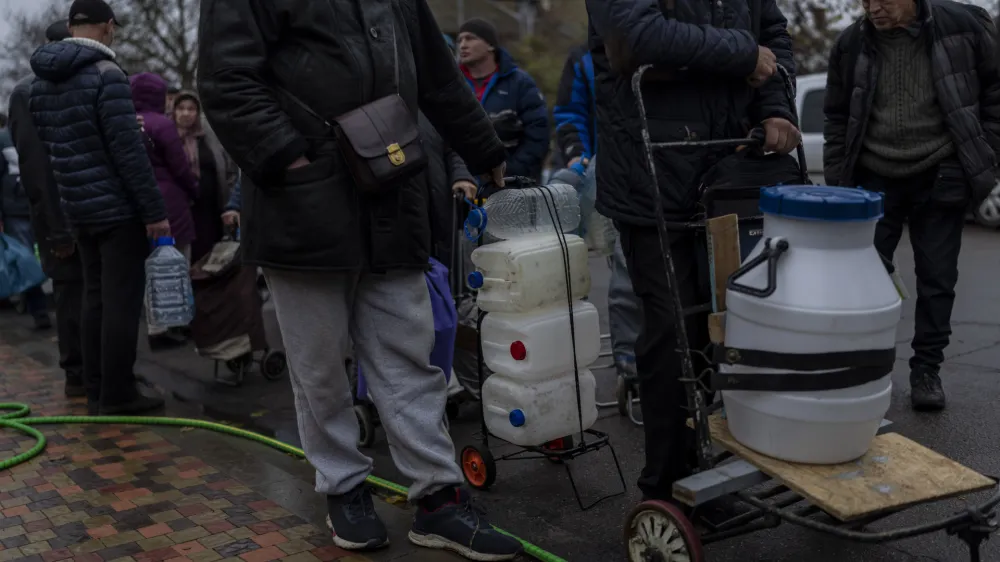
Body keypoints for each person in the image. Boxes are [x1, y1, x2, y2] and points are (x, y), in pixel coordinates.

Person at [196, 1, 520, 560]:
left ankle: (438, 497)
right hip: (302, 204)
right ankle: (344, 485)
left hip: (390, 193)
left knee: (410, 358)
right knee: (320, 366)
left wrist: (483, 146)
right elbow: (226, 79)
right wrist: (289, 158)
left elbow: (436, 74)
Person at [586, 0, 800, 515]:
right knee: (672, 330)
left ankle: (703, 470)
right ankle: (667, 487)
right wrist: (744, 54)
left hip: (729, 165)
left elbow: (773, 34)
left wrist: (775, 107)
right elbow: (633, 37)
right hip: (652, 172)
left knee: (723, 325)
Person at [823, 0, 1000, 412]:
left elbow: (995, 95)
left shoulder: (965, 27)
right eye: (866, 0)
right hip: (873, 177)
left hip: (941, 172)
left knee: (937, 280)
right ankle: (866, 369)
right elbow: (836, 115)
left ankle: (926, 371)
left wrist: (985, 156)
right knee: (865, 282)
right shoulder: (850, 44)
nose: (874, 8)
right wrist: (839, 180)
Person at [28, 0, 169, 416]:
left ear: (71, 26)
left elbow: (53, 148)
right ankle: (119, 393)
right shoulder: (107, 75)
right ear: (108, 26)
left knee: (94, 298)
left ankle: (95, 388)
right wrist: (154, 211)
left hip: (77, 207)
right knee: (121, 302)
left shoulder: (40, 84)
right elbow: (128, 153)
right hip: (117, 209)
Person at [553, 44, 642, 384]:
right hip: (608, 174)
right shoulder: (584, 58)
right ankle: (628, 361)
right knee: (624, 264)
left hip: (659, 169)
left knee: (638, 269)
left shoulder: (663, 40)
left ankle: (642, 356)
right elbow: (570, 112)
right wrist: (577, 153)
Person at [8, 20, 84, 396]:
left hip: (89, 211)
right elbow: (36, 168)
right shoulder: (28, 92)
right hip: (59, 216)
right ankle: (77, 374)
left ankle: (94, 371)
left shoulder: (83, 84)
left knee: (90, 294)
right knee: (70, 294)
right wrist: (58, 230)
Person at [129, 72, 200, 349]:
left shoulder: (126, 122)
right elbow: (179, 166)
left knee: (151, 266)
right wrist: (194, 190)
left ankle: (155, 326)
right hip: (170, 203)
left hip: (137, 203)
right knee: (177, 263)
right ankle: (175, 323)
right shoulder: (162, 124)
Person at [457, 18, 550, 186]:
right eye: (460, 40)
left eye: (470, 38)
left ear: (490, 45)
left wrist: (511, 172)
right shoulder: (453, 85)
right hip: (464, 185)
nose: (463, 45)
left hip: (513, 185)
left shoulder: (520, 83)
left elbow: (538, 134)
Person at [171, 90, 241, 264]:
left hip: (210, 208)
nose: (186, 113)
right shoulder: (168, 137)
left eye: (191, 109)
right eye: (181, 108)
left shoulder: (209, 136)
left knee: (209, 255)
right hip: (182, 209)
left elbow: (229, 166)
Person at [0, 115, 52, 330]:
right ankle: (39, 309)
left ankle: (39, 308)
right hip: (25, 207)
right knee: (27, 260)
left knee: (27, 259)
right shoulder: (41, 132)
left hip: (23, 207)